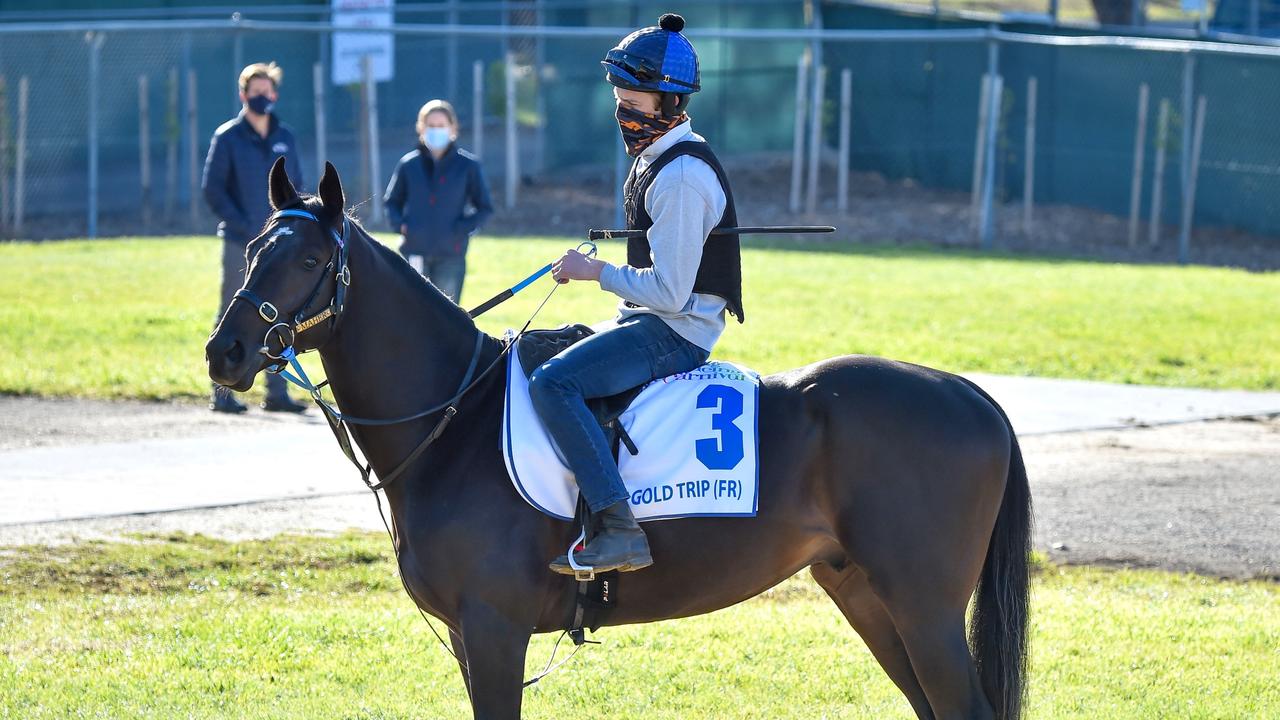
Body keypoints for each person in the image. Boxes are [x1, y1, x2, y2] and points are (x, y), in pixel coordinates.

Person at [530, 13, 745, 575]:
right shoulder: (659, 158)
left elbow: (672, 294)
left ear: (670, 104)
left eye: (634, 98)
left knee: (554, 383)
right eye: (618, 95)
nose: (621, 108)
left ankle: (620, 528)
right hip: (651, 320)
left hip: (676, 331)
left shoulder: (678, 177)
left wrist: (592, 273)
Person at [202, 61, 307, 413]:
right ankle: (222, 393)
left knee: (278, 314)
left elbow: (298, 186)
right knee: (232, 309)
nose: (261, 97)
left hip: (279, 245)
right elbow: (213, 189)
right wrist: (245, 224)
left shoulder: (285, 137)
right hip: (240, 241)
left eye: (267, 92)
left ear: (274, 94)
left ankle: (277, 393)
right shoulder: (227, 137)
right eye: (254, 92)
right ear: (243, 94)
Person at [383, 99, 493, 303]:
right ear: (421, 128)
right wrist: (402, 226)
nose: (436, 130)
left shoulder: (468, 166)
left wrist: (460, 229)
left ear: (453, 128)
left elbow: (485, 207)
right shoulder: (409, 165)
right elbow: (392, 202)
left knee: (447, 315)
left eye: (441, 125)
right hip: (414, 251)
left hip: (451, 254)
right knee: (413, 312)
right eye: (430, 126)